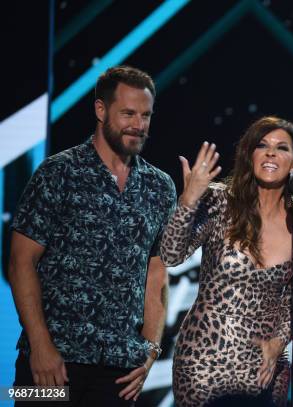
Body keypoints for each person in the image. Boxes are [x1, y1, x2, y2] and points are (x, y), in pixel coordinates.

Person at [8, 66, 176, 406]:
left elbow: (156, 272)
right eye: (127, 113)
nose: (138, 125)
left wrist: (149, 353)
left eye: (145, 115)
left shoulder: (160, 186)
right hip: (48, 365)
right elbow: (20, 262)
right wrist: (40, 346)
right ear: (101, 110)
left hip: (119, 371)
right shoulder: (57, 172)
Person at [160, 117, 293, 406]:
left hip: (264, 366)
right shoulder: (221, 202)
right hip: (202, 361)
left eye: (281, 148)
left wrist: (277, 343)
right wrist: (189, 200)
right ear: (250, 155)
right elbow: (171, 255)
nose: (271, 153)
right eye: (262, 145)